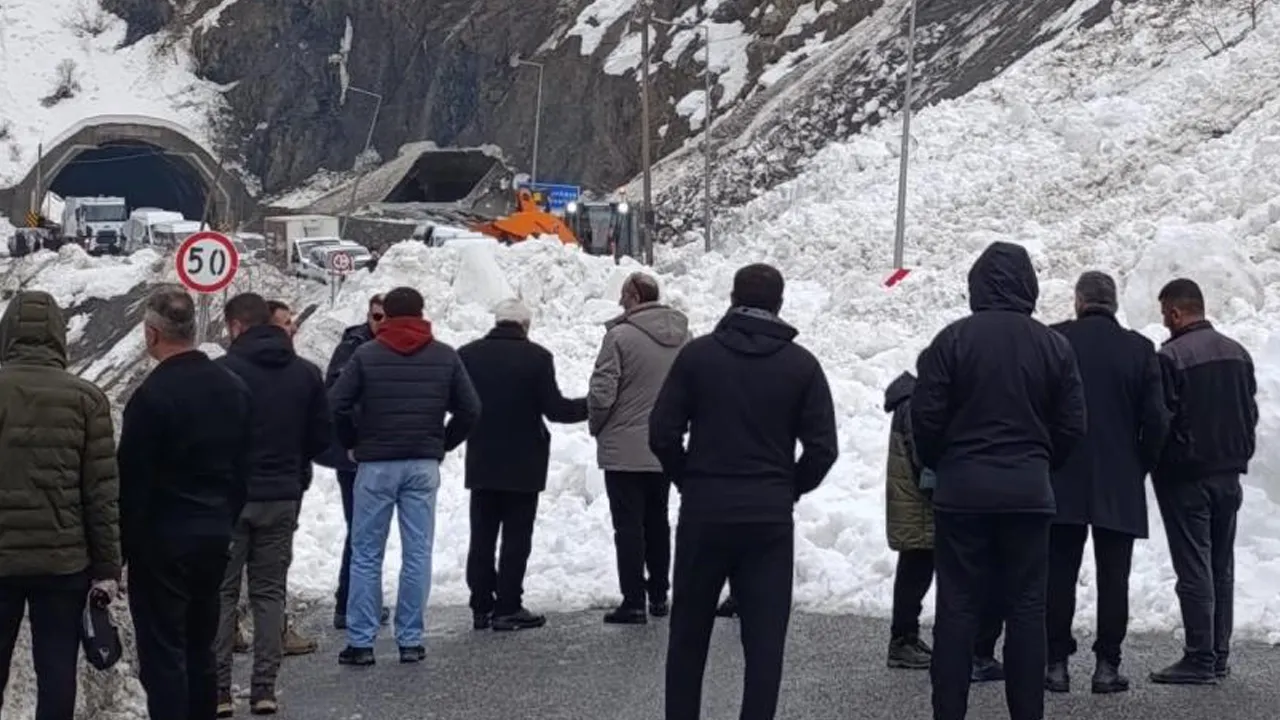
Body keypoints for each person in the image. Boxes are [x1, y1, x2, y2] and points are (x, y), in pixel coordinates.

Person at [651, 263, 838, 720]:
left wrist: (688, 478)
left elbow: (661, 433)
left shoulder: (698, 357)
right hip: (769, 520)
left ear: (733, 299)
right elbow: (822, 449)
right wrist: (788, 487)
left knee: (688, 638)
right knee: (764, 644)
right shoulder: (802, 365)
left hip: (704, 512)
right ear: (780, 303)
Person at [911, 242, 1086, 720]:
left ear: (976, 286)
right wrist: (1040, 462)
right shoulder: (1054, 345)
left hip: (962, 492)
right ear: (1029, 286)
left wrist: (944, 463)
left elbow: (924, 419)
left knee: (957, 607)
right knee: (1027, 609)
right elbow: (1072, 425)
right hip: (1029, 492)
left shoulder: (951, 340)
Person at [119, 286, 252, 720]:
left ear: (152, 335)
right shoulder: (232, 388)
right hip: (214, 535)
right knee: (201, 647)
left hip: (162, 543)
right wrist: (224, 519)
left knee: (164, 655)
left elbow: (132, 483)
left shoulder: (151, 398)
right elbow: (244, 468)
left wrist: (123, 550)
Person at [329, 286, 481, 665]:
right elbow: (471, 409)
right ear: (421, 312)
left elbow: (335, 405)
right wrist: (443, 442)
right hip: (422, 464)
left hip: (376, 462)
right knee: (417, 552)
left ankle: (362, 642)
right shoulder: (444, 356)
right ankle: (411, 639)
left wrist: (353, 441)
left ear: (387, 316)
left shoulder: (366, 355)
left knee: (366, 553)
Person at [1043, 272, 1169, 694]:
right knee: (1115, 578)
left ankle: (1055, 664)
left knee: (1057, 573)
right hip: (1119, 479)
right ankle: (1106, 667)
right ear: (1113, 304)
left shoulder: (1054, 341)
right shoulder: (1139, 349)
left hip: (1061, 476)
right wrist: (1139, 466)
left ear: (1078, 301)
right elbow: (1157, 420)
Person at [0, 290, 120, 720]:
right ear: (58, 336)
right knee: (56, 674)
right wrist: (107, 568)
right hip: (63, 563)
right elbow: (101, 493)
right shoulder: (87, 400)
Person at [213, 293, 330, 716]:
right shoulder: (306, 374)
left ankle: (220, 691)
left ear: (236, 327)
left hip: (230, 501)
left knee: (222, 594)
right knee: (268, 593)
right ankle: (263, 688)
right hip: (282, 497)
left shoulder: (222, 373)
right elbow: (321, 439)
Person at [456, 299, 588, 631]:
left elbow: (456, 405)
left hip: (482, 459)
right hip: (524, 462)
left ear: (496, 322)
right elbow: (555, 409)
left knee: (482, 536)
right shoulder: (538, 358)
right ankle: (508, 606)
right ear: (525, 326)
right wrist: (593, 406)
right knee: (516, 537)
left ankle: (481, 606)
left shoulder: (468, 355)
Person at [1148, 278, 1256, 685]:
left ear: (1176, 313)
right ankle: (1219, 653)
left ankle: (1199, 657)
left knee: (1193, 566)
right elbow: (1250, 411)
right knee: (1220, 566)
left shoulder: (1170, 357)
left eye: (1164, 315)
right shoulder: (1238, 353)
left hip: (1186, 477)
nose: (1164, 323)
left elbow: (1160, 419)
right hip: (1229, 475)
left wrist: (1155, 460)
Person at [883, 372, 1007, 675]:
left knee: (918, 569)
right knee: (916, 570)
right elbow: (923, 455)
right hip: (920, 504)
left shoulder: (913, 401)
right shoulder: (915, 405)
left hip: (915, 501)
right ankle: (902, 641)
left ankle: (906, 638)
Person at [589, 272, 690, 624]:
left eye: (622, 295)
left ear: (634, 296)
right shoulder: (683, 338)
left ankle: (633, 601)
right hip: (663, 446)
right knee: (658, 520)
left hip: (623, 448)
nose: (619, 302)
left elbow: (603, 391)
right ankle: (660, 595)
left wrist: (598, 425)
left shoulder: (619, 337)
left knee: (628, 526)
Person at [315, 294, 390, 630]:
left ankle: (361, 599)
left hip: (375, 454)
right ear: (368, 316)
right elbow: (337, 400)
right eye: (377, 316)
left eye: (388, 317)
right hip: (354, 457)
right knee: (360, 531)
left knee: (369, 532)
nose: (382, 323)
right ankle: (347, 603)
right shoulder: (353, 347)